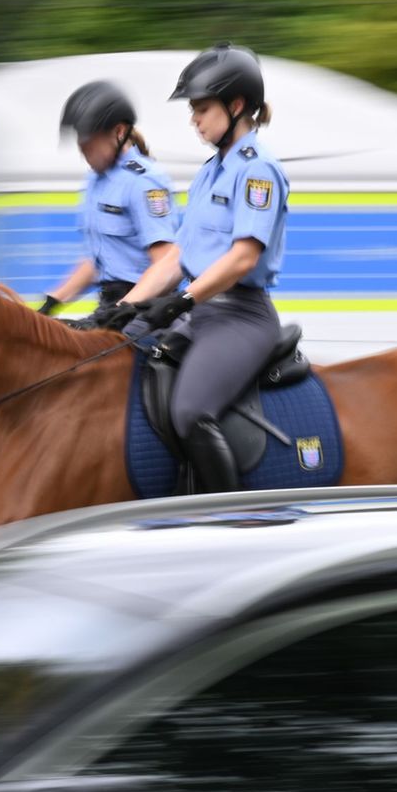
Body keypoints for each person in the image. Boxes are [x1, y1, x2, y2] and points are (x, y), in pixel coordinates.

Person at [108, 42, 289, 494]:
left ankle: (228, 513)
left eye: (202, 109)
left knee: (190, 410)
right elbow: (176, 259)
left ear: (237, 105)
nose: (194, 119)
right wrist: (123, 310)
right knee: (118, 351)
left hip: (241, 318)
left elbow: (243, 257)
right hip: (200, 311)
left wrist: (183, 300)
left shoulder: (258, 170)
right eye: (193, 110)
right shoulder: (210, 172)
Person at [42, 81, 180, 327]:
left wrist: (121, 309)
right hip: (110, 306)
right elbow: (98, 261)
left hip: (144, 310)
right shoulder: (95, 181)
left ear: (119, 131)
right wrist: (51, 303)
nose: (82, 146)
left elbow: (166, 263)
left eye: (89, 137)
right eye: (79, 137)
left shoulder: (144, 182)